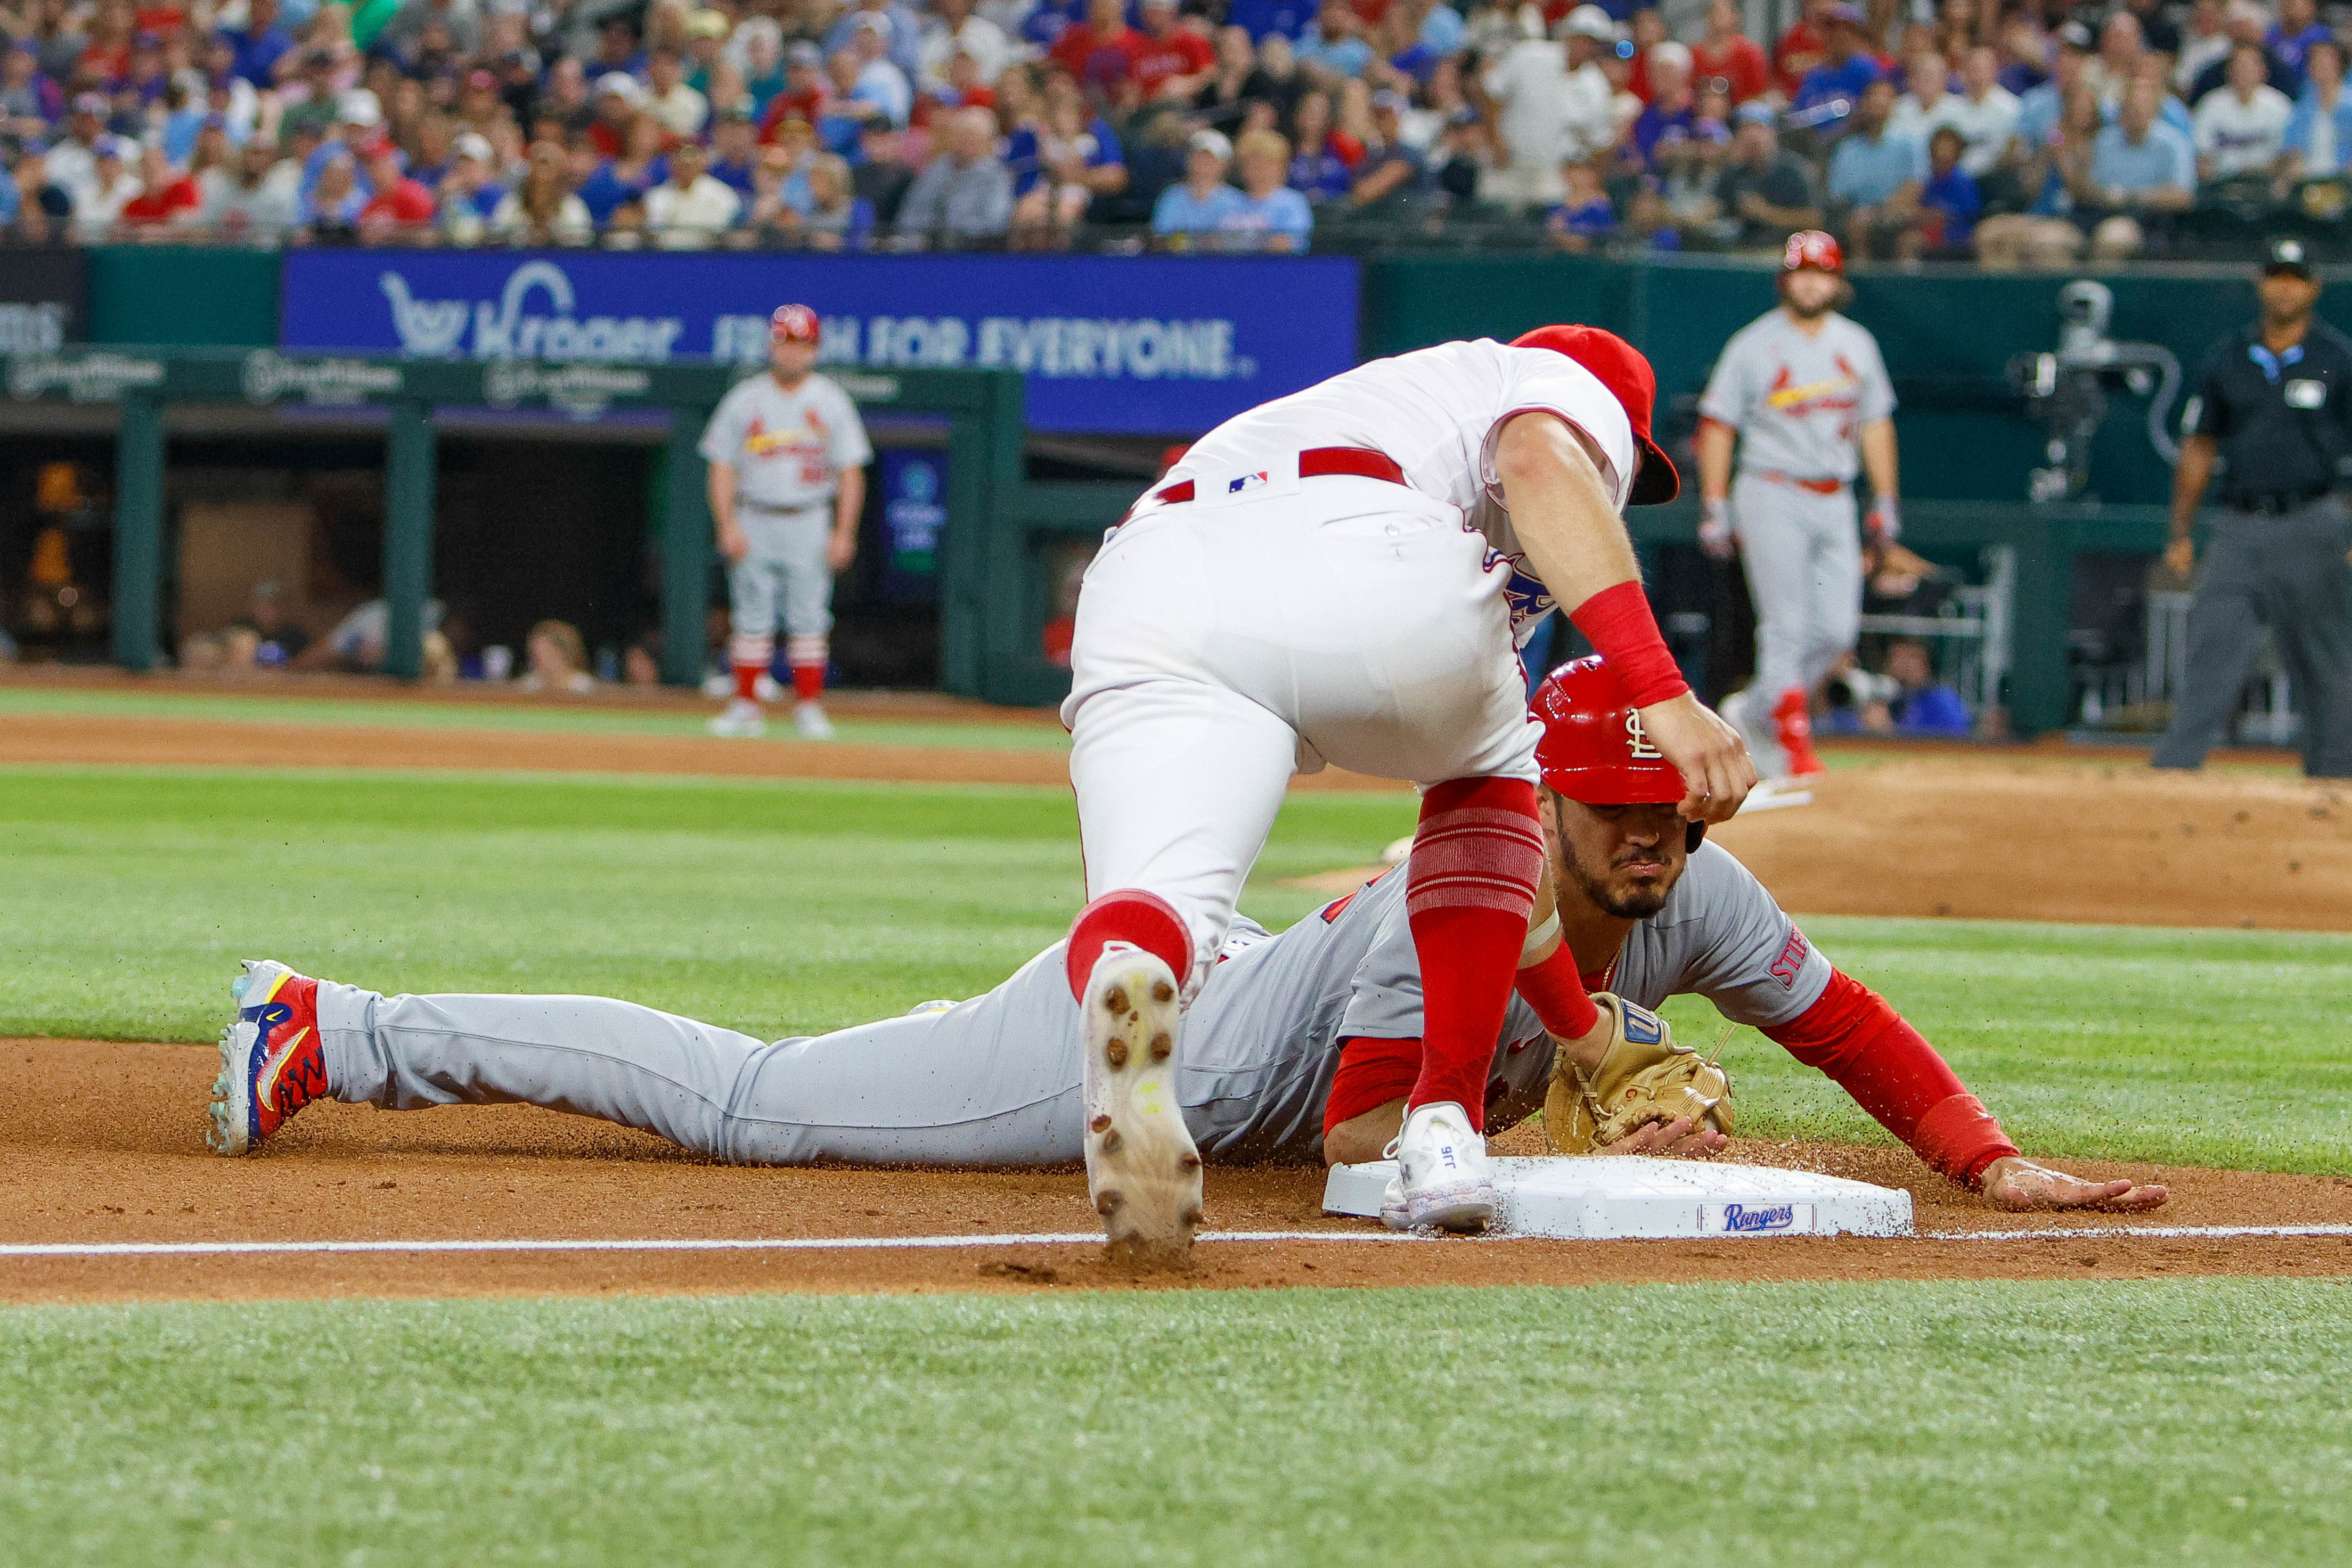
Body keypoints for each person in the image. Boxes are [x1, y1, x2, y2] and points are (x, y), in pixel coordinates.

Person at [205, 656, 2158, 1224]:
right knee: (754, 1104)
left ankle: (348, 1020)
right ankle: (338, 1019)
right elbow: (1370, 1162)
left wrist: (1983, 1154)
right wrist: (1595, 1105)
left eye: (1670, 823)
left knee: (760, 1100)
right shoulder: (1443, 900)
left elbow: (1842, 1019)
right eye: (1618, 820)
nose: (1651, 851)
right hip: (1153, 1054)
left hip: (1225, 1038)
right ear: (1540, 802)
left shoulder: (1688, 893)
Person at [1058, 321, 1752, 1257]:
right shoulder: (1546, 382)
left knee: (1158, 904)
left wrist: (1576, 1028)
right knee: (1491, 772)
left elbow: (1525, 897)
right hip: (1358, 536)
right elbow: (1542, 458)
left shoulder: (1371, 401)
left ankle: (1134, 984)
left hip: (1150, 576)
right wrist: (1663, 693)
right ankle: (1443, 1124)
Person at [1696, 231, 1899, 781]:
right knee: (1786, 625)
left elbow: (1875, 423)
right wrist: (1715, 502)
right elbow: (1718, 425)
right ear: (1786, 279)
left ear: (1837, 281)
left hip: (1834, 494)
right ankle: (1792, 744)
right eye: (1801, 271)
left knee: (1836, 631)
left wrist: (1885, 497)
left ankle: (1755, 711)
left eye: (1821, 272)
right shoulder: (1754, 344)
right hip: (1771, 487)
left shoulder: (1857, 344)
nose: (1810, 281)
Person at [2153, 238, 2352, 779]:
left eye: (2296, 276)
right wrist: (2180, 530)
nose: (2285, 286)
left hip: (2313, 521)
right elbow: (2200, 446)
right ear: (2261, 283)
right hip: (2239, 523)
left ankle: (2335, 778)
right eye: (2276, 275)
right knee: (2212, 648)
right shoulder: (2230, 357)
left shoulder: (2337, 359)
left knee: (2326, 663)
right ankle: (2173, 772)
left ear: (2314, 286)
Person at [701, 305, 873, 742]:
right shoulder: (746, 398)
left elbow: (850, 472)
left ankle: (809, 707)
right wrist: (727, 525)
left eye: (801, 344)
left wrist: (843, 531)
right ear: (772, 345)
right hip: (755, 512)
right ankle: (745, 706)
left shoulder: (830, 400)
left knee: (810, 619)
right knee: (751, 617)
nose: (792, 353)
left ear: (814, 349)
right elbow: (722, 466)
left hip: (809, 516)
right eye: (785, 342)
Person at [2085, 75, 2195, 260]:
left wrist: (2134, 197)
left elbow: (2183, 197)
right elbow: (2091, 186)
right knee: (2047, 242)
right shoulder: (2104, 141)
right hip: (2098, 214)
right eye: (2130, 108)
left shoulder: (2174, 143)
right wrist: (2102, 195)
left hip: (2152, 222)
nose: (2136, 114)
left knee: (2111, 239)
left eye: (2142, 108)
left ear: (2155, 110)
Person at [1826, 78, 1926, 260]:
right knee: (1855, 225)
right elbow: (1839, 194)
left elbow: (1915, 186)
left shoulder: (1909, 143)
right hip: (1857, 216)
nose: (1879, 102)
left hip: (1898, 214)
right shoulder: (1848, 149)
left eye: (1886, 97)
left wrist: (1878, 211)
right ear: (1864, 103)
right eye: (1874, 97)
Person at [894, 103, 1013, 244]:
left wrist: (951, 230)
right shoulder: (937, 169)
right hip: (927, 249)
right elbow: (911, 212)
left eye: (974, 136)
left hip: (972, 252)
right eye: (962, 135)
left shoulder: (997, 177)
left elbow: (995, 223)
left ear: (988, 142)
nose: (967, 142)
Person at [1714, 100, 1824, 245]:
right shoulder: (1735, 169)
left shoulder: (1792, 170)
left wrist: (1765, 212)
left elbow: (1815, 220)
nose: (1752, 135)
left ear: (1772, 132)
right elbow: (1719, 206)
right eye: (1745, 128)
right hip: (1738, 249)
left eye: (1758, 128)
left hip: (1782, 250)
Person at [2192, 41, 2293, 181]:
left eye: (2250, 67)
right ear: (2229, 72)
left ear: (2263, 71)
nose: (2244, 73)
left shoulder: (2280, 106)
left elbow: (2286, 157)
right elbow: (2202, 157)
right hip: (2221, 183)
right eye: (2238, 67)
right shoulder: (2211, 105)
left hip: (2265, 181)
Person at [1150, 126, 1243, 241]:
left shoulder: (1238, 201)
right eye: (1198, 155)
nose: (1204, 161)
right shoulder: (1171, 197)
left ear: (1225, 163)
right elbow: (1160, 238)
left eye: (1211, 158)